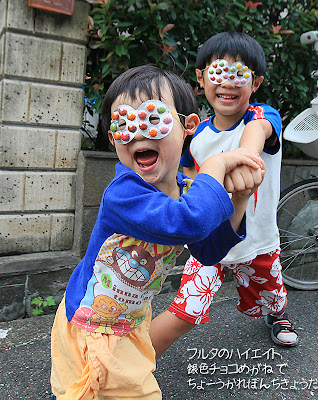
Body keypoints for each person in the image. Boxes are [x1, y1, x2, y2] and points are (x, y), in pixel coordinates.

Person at [50, 64, 265, 400]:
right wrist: (215, 166)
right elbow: (187, 222)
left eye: (153, 119)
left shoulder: (184, 190)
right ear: (114, 138)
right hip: (94, 323)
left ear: (188, 126)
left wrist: (239, 199)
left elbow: (208, 251)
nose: (138, 134)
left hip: (129, 319)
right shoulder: (123, 193)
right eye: (124, 124)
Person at [150, 32, 299, 359]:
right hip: (209, 241)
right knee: (186, 309)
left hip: (257, 240)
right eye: (218, 72)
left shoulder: (262, 116)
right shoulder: (197, 135)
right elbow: (187, 178)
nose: (228, 82)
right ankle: (129, 364)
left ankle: (278, 314)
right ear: (201, 78)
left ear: (256, 83)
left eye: (239, 74)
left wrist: (245, 160)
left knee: (272, 297)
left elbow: (256, 132)